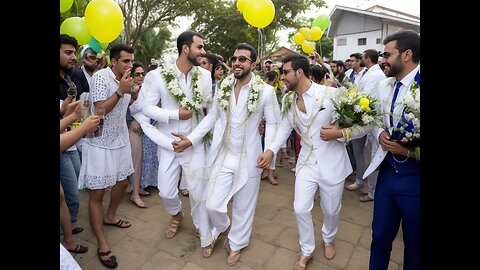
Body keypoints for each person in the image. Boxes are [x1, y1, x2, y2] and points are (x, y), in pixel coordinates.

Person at [172, 43, 281, 266]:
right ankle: (220, 229)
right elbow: (211, 118)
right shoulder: (222, 86)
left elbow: (274, 124)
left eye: (243, 59)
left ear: (253, 63)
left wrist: (270, 151)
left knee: (244, 205)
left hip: (251, 157)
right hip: (222, 155)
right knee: (212, 204)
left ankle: (236, 243)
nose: (237, 63)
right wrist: (190, 139)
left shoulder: (266, 91)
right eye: (234, 59)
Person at [259, 53, 353, 269]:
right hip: (306, 163)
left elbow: (361, 126)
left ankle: (328, 238)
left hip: (332, 163)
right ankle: (307, 250)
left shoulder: (331, 94)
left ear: (299, 72)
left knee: (331, 210)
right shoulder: (287, 99)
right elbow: (285, 127)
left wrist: (339, 133)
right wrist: (271, 151)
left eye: (285, 72)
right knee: (300, 208)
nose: (282, 77)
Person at [129, 30, 215, 257]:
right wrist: (176, 114)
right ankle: (177, 215)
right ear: (186, 48)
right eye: (200, 47)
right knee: (166, 192)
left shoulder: (205, 77)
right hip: (167, 141)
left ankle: (204, 231)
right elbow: (146, 108)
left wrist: (192, 139)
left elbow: (209, 111)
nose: (203, 52)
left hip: (194, 142)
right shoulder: (157, 76)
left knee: (199, 191)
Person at [364, 30, 420, 270]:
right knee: (379, 237)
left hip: (416, 180)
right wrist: (380, 134)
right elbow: (374, 119)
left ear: (407, 55)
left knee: (415, 245)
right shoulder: (384, 85)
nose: (382, 59)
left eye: (387, 54)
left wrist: (408, 152)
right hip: (387, 175)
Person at [77, 43, 137, 269]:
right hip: (100, 142)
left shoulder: (127, 80)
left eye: (132, 61)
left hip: (120, 140)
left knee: (122, 183)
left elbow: (126, 106)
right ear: (114, 62)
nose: (130, 65)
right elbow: (100, 111)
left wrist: (133, 93)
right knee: (98, 192)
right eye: (125, 61)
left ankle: (110, 216)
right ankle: (101, 242)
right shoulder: (100, 77)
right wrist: (121, 90)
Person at [126, 62, 150, 208]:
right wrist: (131, 122)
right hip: (132, 128)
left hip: (146, 128)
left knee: (140, 160)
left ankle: (135, 187)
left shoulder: (147, 88)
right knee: (136, 161)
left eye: (143, 74)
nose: (141, 76)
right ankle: (134, 195)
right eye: (137, 74)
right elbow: (122, 109)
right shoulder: (128, 89)